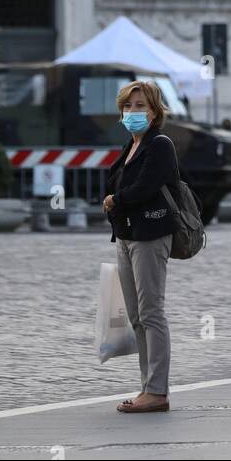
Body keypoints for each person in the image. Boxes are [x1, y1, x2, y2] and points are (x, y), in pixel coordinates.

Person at [102, 79, 179, 413]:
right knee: (136, 315)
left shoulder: (159, 144)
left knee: (151, 312)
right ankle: (148, 386)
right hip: (127, 236)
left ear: (155, 111)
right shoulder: (131, 144)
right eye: (128, 106)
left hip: (150, 235)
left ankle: (157, 390)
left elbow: (146, 187)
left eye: (140, 106)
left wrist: (114, 200)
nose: (133, 112)